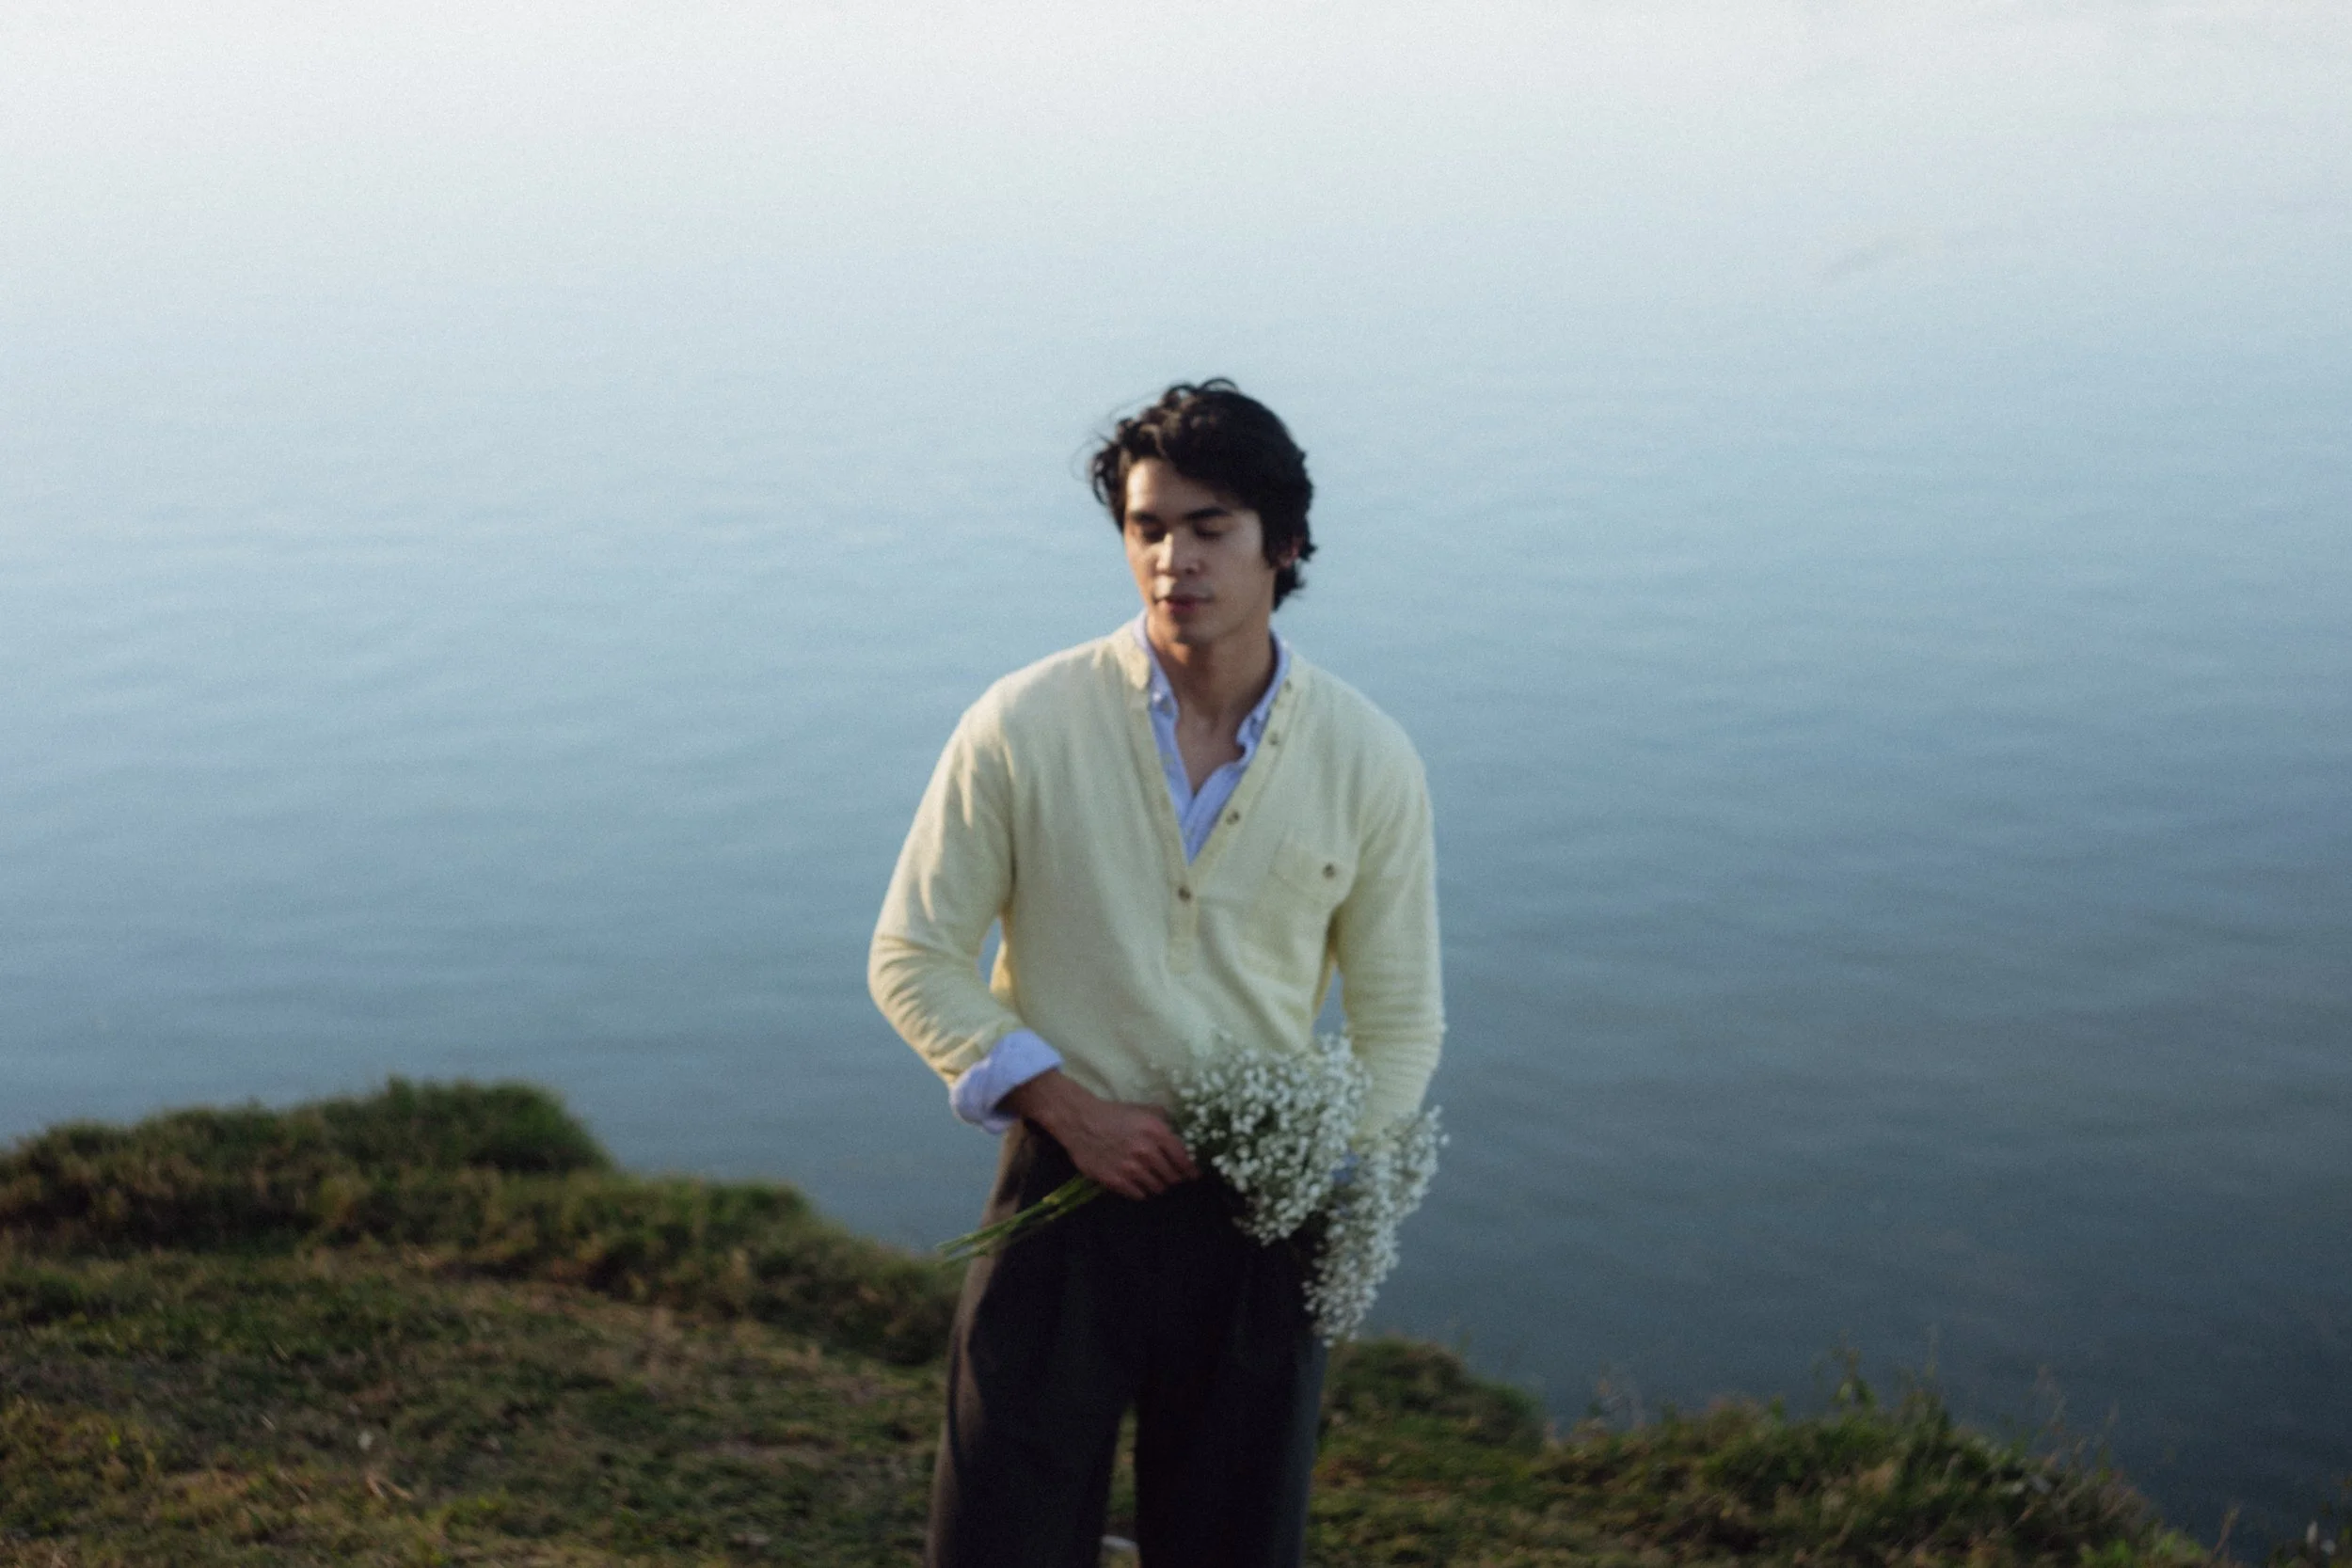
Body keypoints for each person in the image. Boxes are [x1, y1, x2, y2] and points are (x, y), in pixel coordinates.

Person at [869, 379, 1444, 1568]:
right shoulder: (1021, 721)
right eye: (1147, 527)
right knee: (996, 1541)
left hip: (1255, 1222)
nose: (1173, 558)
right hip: (1061, 1195)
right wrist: (1066, 1107)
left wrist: (1310, 1176)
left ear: (1282, 544)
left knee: (1232, 1545)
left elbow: (1398, 1024)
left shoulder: (1369, 759)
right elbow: (913, 953)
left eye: (1209, 526)